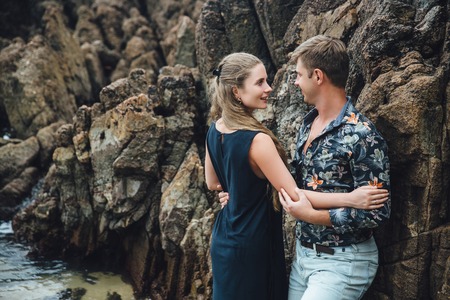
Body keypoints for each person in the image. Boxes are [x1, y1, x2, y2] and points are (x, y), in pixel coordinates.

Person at [205, 52, 389, 300]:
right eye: (259, 83)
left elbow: (213, 183)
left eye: (266, 81)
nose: (269, 88)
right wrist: (351, 198)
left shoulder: (214, 130)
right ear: (236, 92)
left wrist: (234, 192)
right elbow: (293, 195)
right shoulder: (258, 140)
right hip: (253, 242)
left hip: (225, 238)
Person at [278, 35, 391, 299]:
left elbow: (377, 213)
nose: (295, 82)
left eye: (299, 75)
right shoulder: (307, 125)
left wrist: (313, 216)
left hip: (344, 262)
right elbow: (295, 187)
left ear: (317, 76)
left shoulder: (362, 134)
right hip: (303, 257)